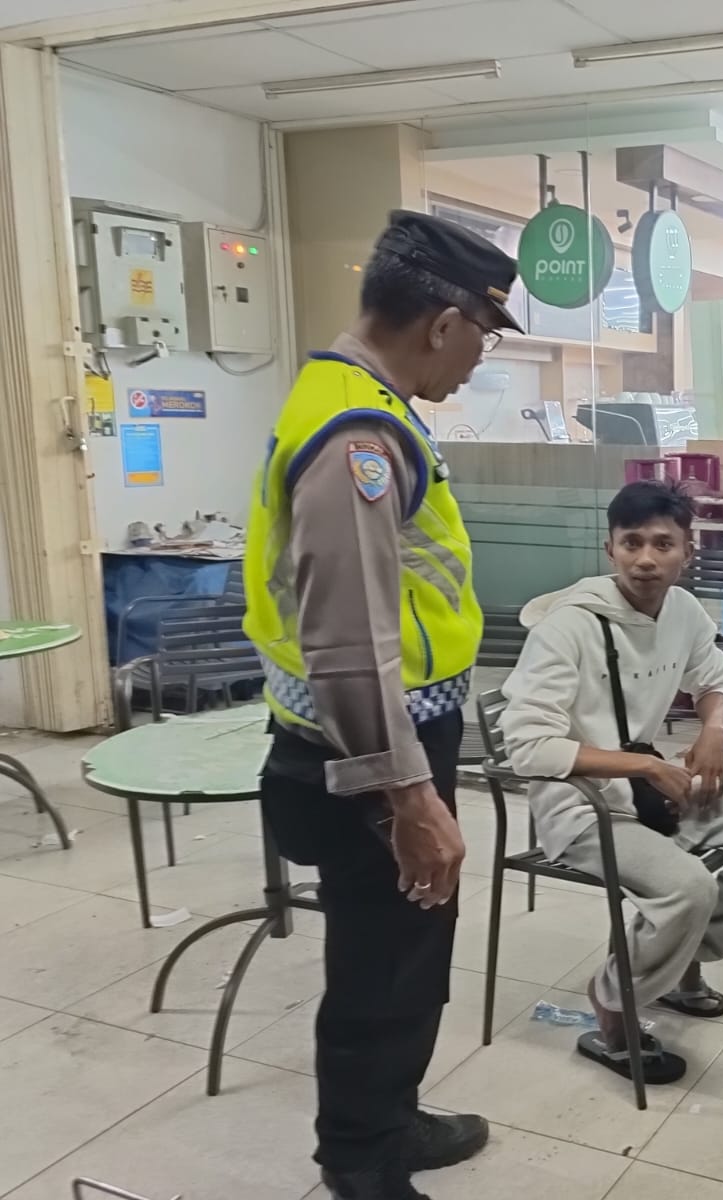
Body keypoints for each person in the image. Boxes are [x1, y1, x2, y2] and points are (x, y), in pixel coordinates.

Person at [243, 211, 522, 1200]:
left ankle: (389, 1120)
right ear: (443, 324)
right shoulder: (357, 436)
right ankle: (362, 1162)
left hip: (378, 738)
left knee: (406, 947)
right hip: (370, 753)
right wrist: (408, 796)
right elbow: (348, 642)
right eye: (484, 336)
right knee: (383, 959)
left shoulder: (349, 398)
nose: (479, 359)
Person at [499, 480, 723, 1084]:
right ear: (609, 548)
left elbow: (711, 675)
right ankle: (614, 1008)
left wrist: (713, 726)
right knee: (688, 887)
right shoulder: (567, 628)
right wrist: (645, 765)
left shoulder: (682, 610)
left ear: (687, 552)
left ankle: (672, 962)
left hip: (651, 793)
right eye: (632, 543)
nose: (646, 558)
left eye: (663, 544)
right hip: (581, 806)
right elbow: (528, 746)